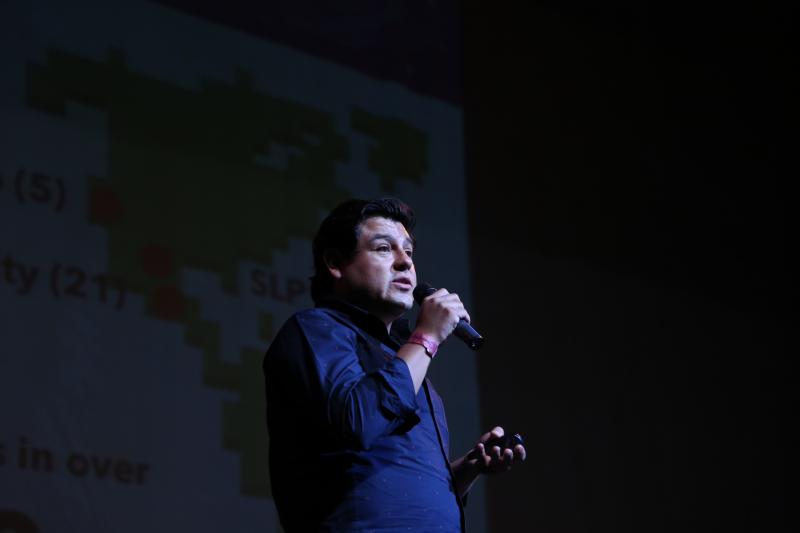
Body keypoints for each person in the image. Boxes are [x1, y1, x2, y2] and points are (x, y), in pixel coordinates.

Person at [263, 198, 525, 531]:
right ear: (335, 263)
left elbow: (402, 492)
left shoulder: (406, 360)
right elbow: (358, 421)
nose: (405, 262)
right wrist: (427, 337)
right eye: (384, 249)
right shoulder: (315, 330)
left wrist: (468, 468)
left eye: (409, 252)